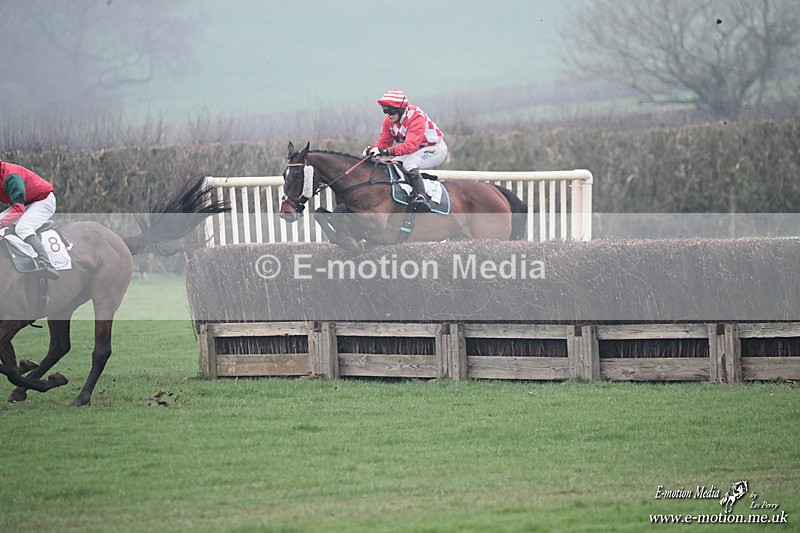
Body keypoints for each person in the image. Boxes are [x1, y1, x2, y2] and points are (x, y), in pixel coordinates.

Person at [362, 89, 448, 211]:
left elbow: (410, 145)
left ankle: (421, 197)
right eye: (385, 111)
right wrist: (372, 149)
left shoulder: (416, 116)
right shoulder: (389, 122)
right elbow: (384, 142)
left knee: (409, 164)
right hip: (417, 149)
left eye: (391, 111)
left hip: (435, 148)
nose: (388, 115)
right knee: (395, 165)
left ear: (401, 109)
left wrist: (386, 152)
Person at [0, 159, 60, 279]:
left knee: (23, 228)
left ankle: (47, 264)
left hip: (43, 200)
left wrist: (2, 224)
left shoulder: (12, 178)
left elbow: (18, 210)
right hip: (25, 202)